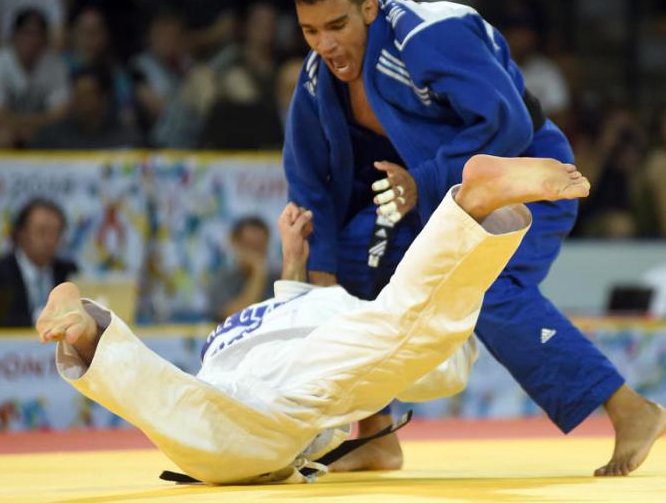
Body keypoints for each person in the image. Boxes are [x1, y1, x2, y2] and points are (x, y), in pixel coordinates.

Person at [282, 0, 665, 476]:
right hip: (433, 202)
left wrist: (423, 180)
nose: (325, 44)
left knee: (487, 287)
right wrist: (323, 275)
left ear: (368, 9)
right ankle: (373, 434)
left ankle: (630, 409)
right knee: (351, 258)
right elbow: (310, 183)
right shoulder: (315, 82)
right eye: (310, 31)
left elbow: (508, 124)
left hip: (525, 178)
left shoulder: (427, 36)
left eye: (336, 25)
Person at [38, 155, 597, 484]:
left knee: (193, 418)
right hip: (277, 376)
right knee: (414, 340)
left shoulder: (302, 306)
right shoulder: (344, 314)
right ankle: (471, 208)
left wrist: (292, 258)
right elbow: (417, 346)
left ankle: (92, 334)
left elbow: (304, 313)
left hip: (234, 361)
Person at [0, 7, 70, 147]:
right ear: (14, 35)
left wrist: (27, 127)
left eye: (38, 34)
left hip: (38, 133)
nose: (33, 40)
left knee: (61, 137)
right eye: (27, 33)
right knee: (3, 137)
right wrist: (35, 124)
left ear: (46, 39)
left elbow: (60, 115)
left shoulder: (55, 65)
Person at [0, 198, 78, 327]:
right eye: (41, 232)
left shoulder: (68, 271)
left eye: (56, 233)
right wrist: (40, 319)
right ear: (21, 234)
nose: (49, 240)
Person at [207, 216, 280, 322]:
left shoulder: (277, 280)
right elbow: (235, 318)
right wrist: (258, 273)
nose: (255, 252)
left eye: (260, 246)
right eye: (249, 245)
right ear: (235, 244)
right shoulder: (221, 280)